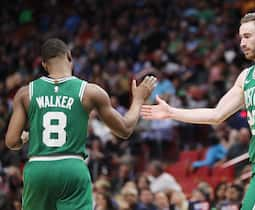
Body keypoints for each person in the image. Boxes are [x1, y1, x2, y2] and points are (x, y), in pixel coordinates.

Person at [141, 13, 255, 210]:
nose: (242, 43)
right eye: (240, 37)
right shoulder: (246, 77)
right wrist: (172, 112)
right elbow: (216, 114)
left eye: (247, 36)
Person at [5, 38, 156, 210]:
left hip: (38, 167)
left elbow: (11, 141)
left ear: (44, 65)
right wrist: (137, 100)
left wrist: (24, 138)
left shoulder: (25, 93)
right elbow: (125, 129)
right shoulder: (90, 91)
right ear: (69, 56)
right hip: (72, 166)